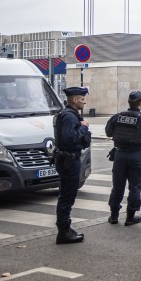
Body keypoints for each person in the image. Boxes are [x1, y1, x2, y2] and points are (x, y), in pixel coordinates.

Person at [105, 91, 141, 226]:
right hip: (136, 156)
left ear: (129, 102)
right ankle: (130, 216)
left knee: (117, 187)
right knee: (135, 187)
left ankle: (114, 215)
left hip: (119, 155)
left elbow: (108, 132)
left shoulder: (117, 117)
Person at [54, 86, 91, 244]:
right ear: (75, 100)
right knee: (67, 196)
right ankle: (64, 231)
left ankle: (65, 228)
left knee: (66, 195)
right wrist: (83, 127)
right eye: (82, 99)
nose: (84, 102)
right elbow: (70, 138)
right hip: (69, 160)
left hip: (66, 159)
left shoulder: (68, 114)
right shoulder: (69, 116)